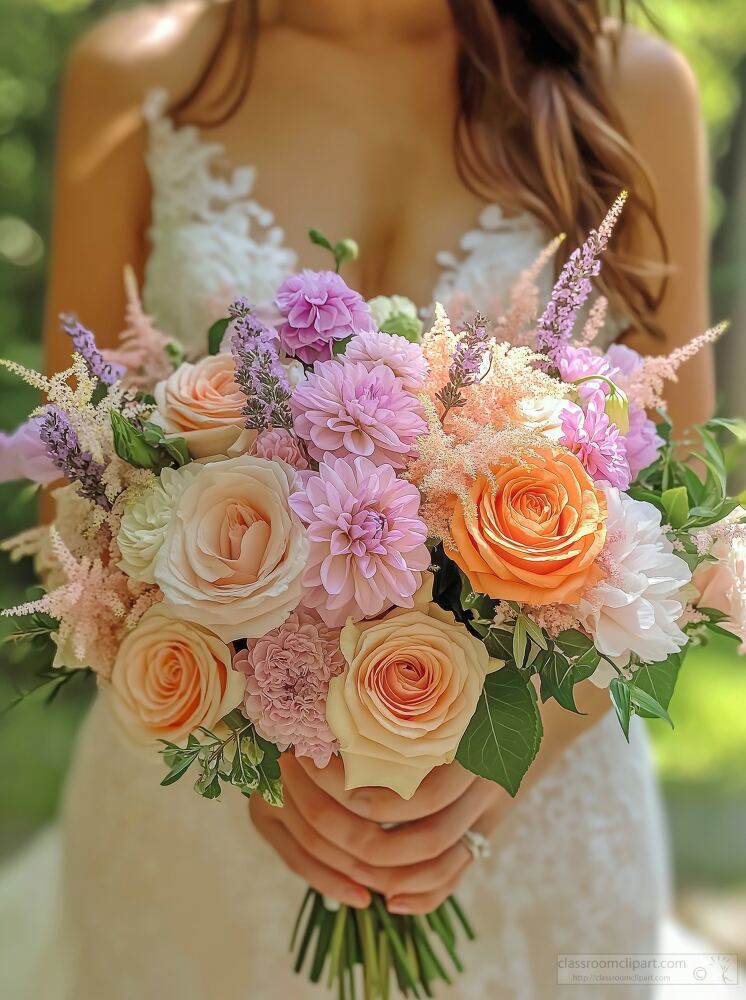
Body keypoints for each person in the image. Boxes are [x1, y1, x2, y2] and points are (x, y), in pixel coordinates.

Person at [22, 1, 716, 997]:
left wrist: (500, 757)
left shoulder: (629, 87)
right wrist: (247, 751)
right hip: (199, 832)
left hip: (539, 821)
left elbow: (677, 515)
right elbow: (71, 485)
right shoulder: (136, 71)